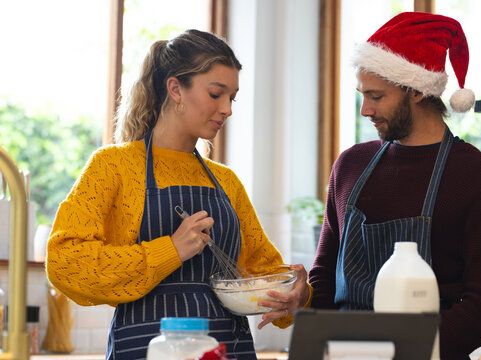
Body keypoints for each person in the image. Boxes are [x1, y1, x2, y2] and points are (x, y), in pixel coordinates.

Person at [46, 29, 310, 360]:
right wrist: (169, 250)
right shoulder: (113, 166)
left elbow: (261, 270)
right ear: (175, 89)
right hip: (146, 349)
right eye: (216, 94)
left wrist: (294, 293)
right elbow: (65, 263)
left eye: (232, 97)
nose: (227, 109)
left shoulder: (226, 180)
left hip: (229, 349)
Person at [308, 12, 481, 360]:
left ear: (418, 90)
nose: (365, 110)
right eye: (363, 95)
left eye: (376, 96)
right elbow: (324, 273)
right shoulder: (349, 166)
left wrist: (395, 351)